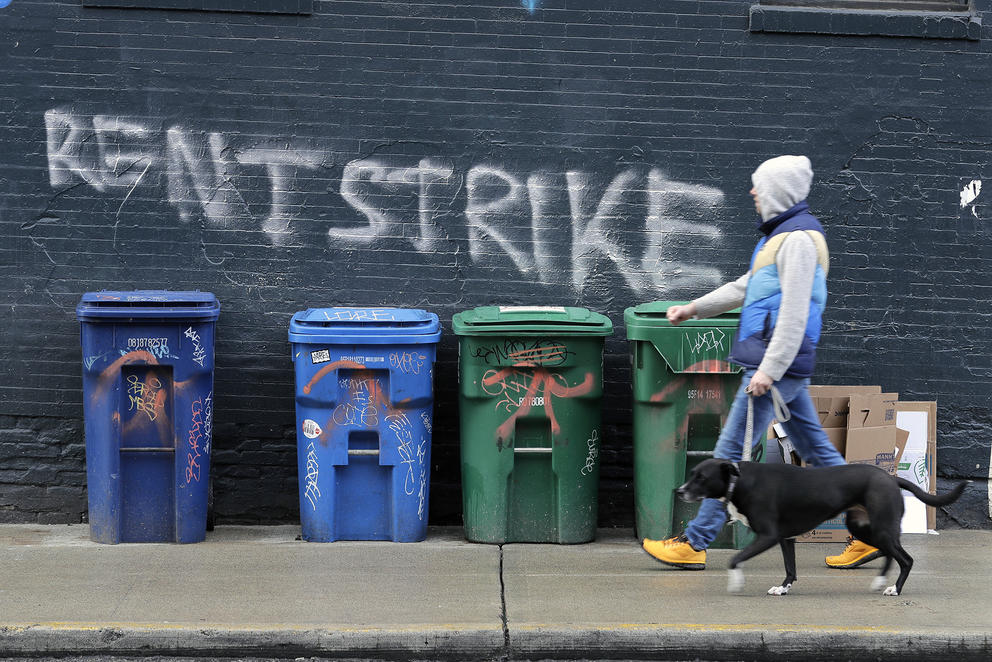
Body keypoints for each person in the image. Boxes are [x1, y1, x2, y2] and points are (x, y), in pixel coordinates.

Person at [641, 155, 880, 570]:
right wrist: (694, 308)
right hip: (781, 363)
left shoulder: (800, 240)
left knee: (728, 454)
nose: (752, 192)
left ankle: (694, 543)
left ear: (777, 191)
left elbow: (795, 312)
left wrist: (769, 370)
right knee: (817, 451)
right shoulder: (781, 238)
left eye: (758, 186)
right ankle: (870, 529)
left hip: (776, 364)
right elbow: (745, 286)